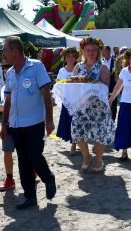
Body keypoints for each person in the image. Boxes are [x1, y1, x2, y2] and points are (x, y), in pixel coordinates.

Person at [0, 36, 56, 210]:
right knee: (23, 161)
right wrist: (4, 125)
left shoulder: (36, 66)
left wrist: (49, 120)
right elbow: (8, 100)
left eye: (5, 50)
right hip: (16, 125)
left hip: (34, 122)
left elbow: (46, 94)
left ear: (15, 51)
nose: (3, 53)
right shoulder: (9, 73)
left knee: (33, 155)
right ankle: (30, 197)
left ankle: (48, 178)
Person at [72, 37, 115, 172]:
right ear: (83, 51)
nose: (90, 53)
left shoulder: (103, 67)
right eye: (88, 50)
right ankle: (87, 157)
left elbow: (105, 88)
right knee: (77, 133)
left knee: (99, 135)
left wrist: (91, 85)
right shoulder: (78, 67)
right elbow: (72, 84)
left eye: (93, 50)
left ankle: (98, 160)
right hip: (81, 106)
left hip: (98, 107)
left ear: (98, 52)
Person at [56, 47, 79, 155]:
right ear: (64, 58)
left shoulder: (78, 69)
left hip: (77, 100)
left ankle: (74, 144)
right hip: (66, 100)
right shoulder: (61, 71)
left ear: (75, 58)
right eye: (68, 57)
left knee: (75, 122)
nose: (70, 59)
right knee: (68, 122)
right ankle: (73, 142)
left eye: (72, 57)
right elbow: (58, 84)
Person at [0, 62, 15, 192]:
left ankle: (32, 170)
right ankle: (9, 179)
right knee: (7, 151)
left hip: (23, 123)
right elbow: (2, 107)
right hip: (7, 123)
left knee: (26, 152)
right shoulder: (3, 88)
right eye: (4, 68)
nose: (6, 71)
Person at [102, 45, 117, 121]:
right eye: (103, 51)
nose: (103, 52)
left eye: (104, 50)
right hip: (103, 84)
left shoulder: (115, 60)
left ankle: (113, 118)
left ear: (108, 51)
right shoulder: (101, 61)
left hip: (113, 84)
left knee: (113, 101)